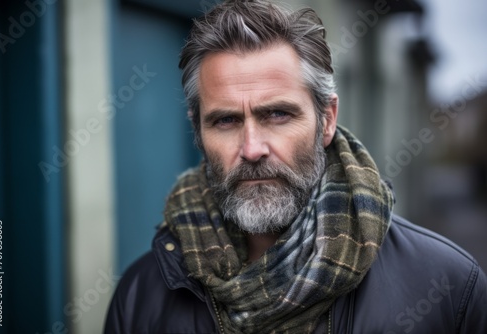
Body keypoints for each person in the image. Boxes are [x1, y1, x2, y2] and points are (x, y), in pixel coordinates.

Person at [104, 1, 487, 333]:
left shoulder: (447, 286)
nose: (252, 149)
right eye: (226, 121)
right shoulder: (142, 296)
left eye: (277, 114)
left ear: (327, 120)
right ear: (198, 132)